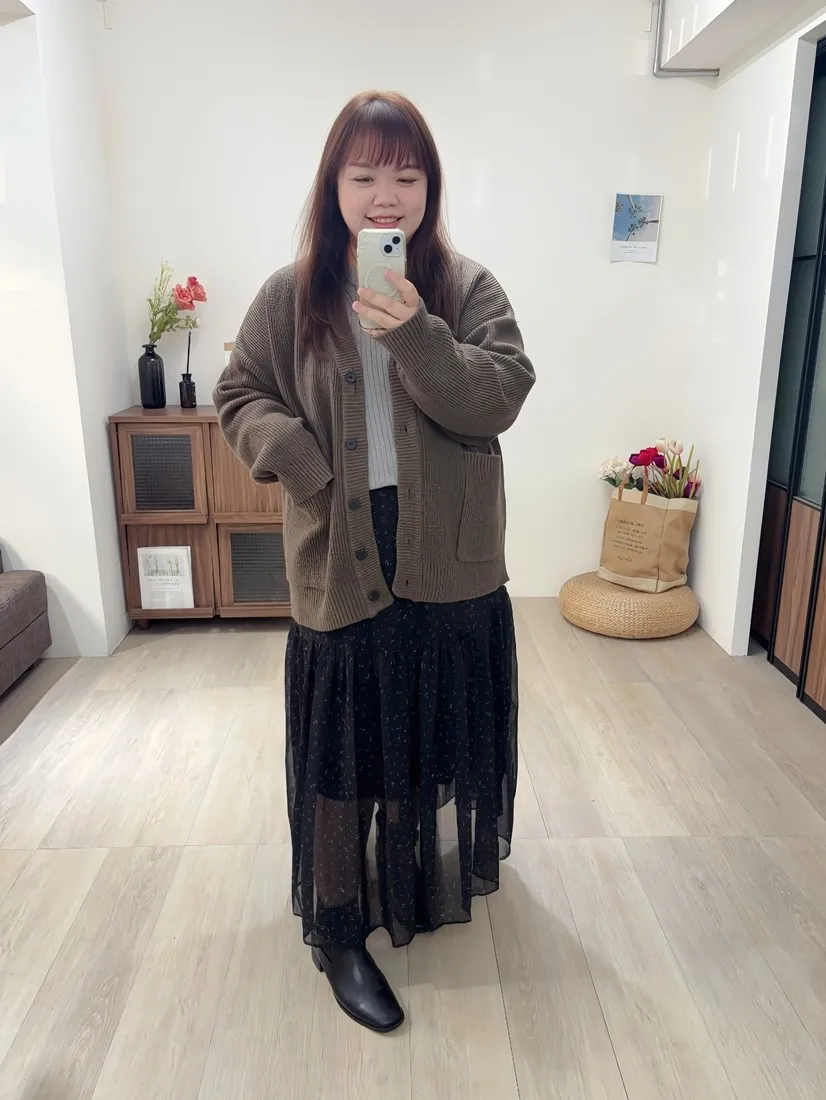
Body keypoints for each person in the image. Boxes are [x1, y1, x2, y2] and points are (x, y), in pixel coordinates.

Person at [213, 90, 535, 1033]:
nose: (385, 196)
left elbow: (498, 397)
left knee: (430, 727)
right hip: (341, 543)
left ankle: (407, 881)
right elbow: (240, 393)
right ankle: (340, 927)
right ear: (334, 187)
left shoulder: (467, 289)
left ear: (430, 188)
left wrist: (415, 333)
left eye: (406, 175)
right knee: (342, 747)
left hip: (449, 551)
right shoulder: (291, 295)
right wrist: (300, 462)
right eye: (364, 176)